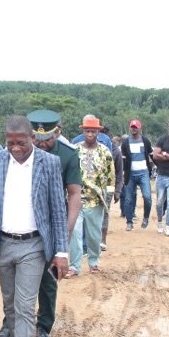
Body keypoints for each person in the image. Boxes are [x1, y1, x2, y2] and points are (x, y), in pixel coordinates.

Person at [0, 116, 69, 337]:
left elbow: (58, 209)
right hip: (3, 244)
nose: (16, 148)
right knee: (10, 307)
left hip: (33, 246)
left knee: (25, 307)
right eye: (10, 142)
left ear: (32, 137)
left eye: (21, 142)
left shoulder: (49, 163)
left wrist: (61, 252)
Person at [0, 110, 80, 337]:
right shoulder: (10, 155)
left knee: (48, 280)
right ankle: (9, 325)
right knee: (14, 288)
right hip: (18, 230)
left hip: (51, 229)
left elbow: (73, 196)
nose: (42, 143)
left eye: (47, 139)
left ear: (57, 133)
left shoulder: (66, 156)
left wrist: (64, 237)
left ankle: (43, 325)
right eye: (38, 139)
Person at [68, 115, 114, 276]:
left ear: (98, 133)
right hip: (76, 199)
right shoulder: (75, 150)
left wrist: (110, 193)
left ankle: (93, 262)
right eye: (87, 131)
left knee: (94, 235)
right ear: (83, 131)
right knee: (74, 233)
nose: (90, 134)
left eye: (93, 131)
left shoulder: (104, 152)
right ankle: (74, 266)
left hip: (96, 200)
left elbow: (110, 175)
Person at [121, 119, 154, 230]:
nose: (133, 129)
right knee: (128, 199)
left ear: (140, 128)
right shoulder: (125, 143)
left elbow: (151, 155)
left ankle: (145, 217)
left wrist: (154, 168)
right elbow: (123, 160)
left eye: (136, 127)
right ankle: (129, 222)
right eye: (132, 127)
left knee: (147, 197)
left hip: (143, 173)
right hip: (130, 174)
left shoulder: (145, 141)